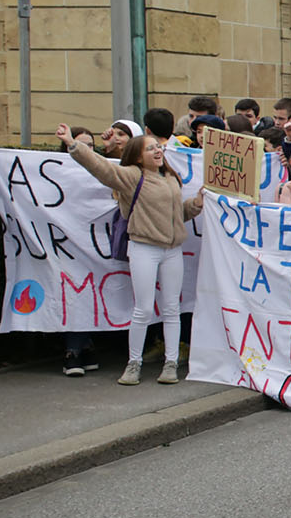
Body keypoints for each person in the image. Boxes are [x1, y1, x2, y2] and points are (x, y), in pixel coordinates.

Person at [56, 123, 205, 386]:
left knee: (171, 308)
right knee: (143, 309)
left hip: (172, 251)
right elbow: (100, 167)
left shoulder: (171, 178)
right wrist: (73, 144)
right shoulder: (131, 176)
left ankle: (171, 364)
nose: (158, 151)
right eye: (151, 149)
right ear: (138, 156)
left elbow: (177, 215)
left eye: (158, 147)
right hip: (144, 248)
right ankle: (133, 364)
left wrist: (195, 205)